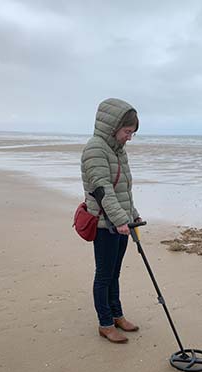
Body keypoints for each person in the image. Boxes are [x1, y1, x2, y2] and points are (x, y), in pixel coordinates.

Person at [81, 98, 141, 343]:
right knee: (104, 274)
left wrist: (133, 214)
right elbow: (102, 189)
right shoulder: (95, 149)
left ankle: (117, 315)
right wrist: (119, 219)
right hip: (106, 224)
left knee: (115, 272)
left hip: (120, 222)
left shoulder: (118, 151)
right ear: (113, 126)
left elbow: (123, 190)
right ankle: (105, 323)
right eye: (127, 131)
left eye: (132, 133)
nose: (129, 137)